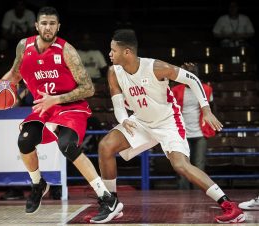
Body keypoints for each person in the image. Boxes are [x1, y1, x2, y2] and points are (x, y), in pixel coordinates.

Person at [0, 6, 122, 223]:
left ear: (58, 26)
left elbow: (89, 88)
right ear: (37, 25)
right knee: (25, 140)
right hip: (44, 108)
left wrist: (56, 99)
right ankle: (38, 184)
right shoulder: (24, 46)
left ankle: (107, 199)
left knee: (66, 144)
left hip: (70, 106)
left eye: (52, 23)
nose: (48, 27)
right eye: (44, 23)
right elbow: (14, 74)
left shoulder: (67, 50)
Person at [95, 29, 245, 224]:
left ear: (127, 52)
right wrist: (123, 119)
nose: (110, 54)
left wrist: (206, 109)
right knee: (106, 146)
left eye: (113, 50)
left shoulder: (156, 67)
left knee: (180, 165)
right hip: (141, 121)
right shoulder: (113, 72)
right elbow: (117, 104)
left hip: (168, 122)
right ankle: (111, 203)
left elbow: (193, 79)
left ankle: (229, 206)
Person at [171, 62, 216, 190]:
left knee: (199, 165)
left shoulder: (206, 89)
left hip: (200, 133)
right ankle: (182, 195)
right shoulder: (175, 90)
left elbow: (211, 108)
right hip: (181, 134)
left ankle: (199, 193)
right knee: (182, 166)